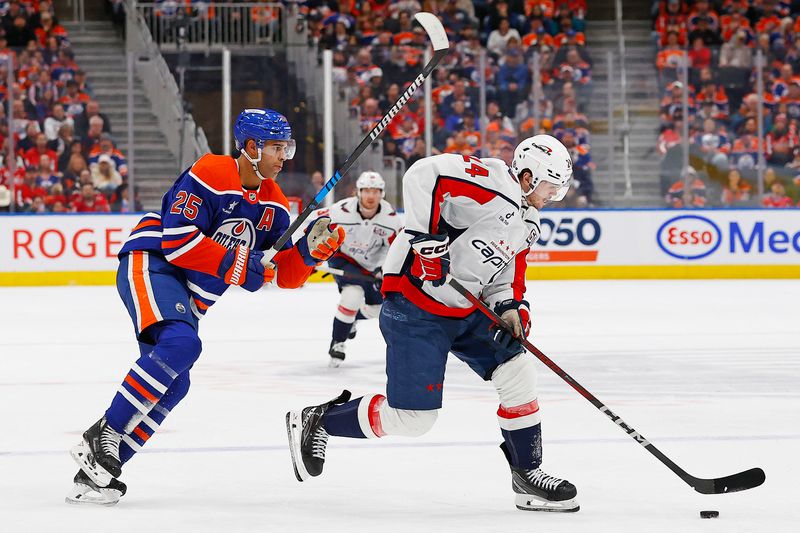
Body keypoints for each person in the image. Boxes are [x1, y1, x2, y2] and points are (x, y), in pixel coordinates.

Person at [286, 135, 580, 512]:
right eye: (550, 188)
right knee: (413, 420)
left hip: (465, 310)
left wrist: (510, 307)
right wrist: (427, 241)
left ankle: (528, 475)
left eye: (559, 190)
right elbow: (425, 173)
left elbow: (507, 274)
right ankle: (321, 420)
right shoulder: (493, 181)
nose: (552, 197)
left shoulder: (529, 220)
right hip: (415, 306)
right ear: (525, 176)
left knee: (518, 370)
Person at [66, 109, 346, 505]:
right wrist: (239, 266)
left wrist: (309, 253)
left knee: (176, 383)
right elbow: (177, 240)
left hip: (190, 295)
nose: (284, 156)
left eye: (287, 147)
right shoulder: (212, 171)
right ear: (250, 147)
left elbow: (281, 275)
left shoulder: (276, 205)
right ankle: (102, 434)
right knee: (182, 347)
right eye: (276, 147)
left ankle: (94, 476)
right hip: (153, 263)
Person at [311, 171, 402, 367]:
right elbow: (311, 223)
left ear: (382, 194)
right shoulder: (340, 211)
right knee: (352, 295)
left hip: (373, 268)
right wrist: (306, 259)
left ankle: (351, 319)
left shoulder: (391, 219)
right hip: (345, 260)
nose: (371, 196)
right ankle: (338, 342)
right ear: (358, 192)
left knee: (377, 309)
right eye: (367, 191)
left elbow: (395, 250)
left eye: (376, 191)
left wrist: (384, 271)